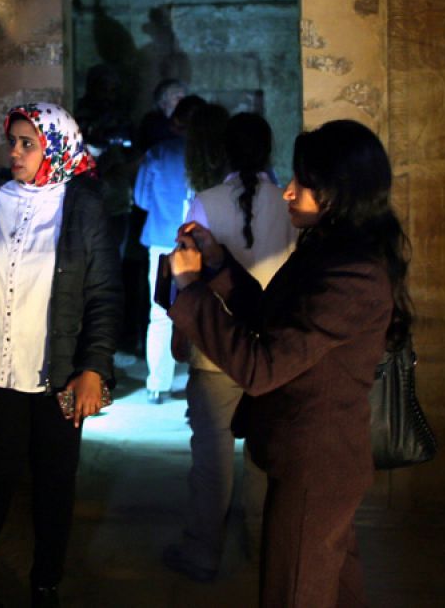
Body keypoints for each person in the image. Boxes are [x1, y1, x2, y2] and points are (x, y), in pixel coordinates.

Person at [168, 120, 409, 607]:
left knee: (294, 592)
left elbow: (261, 367)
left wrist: (192, 292)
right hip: (311, 459)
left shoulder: (353, 274)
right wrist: (216, 266)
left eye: (303, 183)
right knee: (334, 589)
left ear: (339, 192)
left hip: (316, 464)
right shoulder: (329, 250)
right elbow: (269, 314)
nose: (288, 192)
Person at [0, 103, 120, 608]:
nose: (14, 151)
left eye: (26, 143)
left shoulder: (83, 208)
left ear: (54, 146)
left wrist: (94, 368)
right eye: (11, 141)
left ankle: (45, 583)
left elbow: (103, 295)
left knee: (55, 485)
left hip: (58, 375)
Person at [162, 112, 293, 583]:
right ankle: (261, 550)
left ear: (225, 154)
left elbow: (187, 273)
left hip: (215, 347)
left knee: (211, 458)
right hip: (272, 349)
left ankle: (202, 552)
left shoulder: (205, 202)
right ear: (269, 150)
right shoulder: (286, 204)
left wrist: (181, 331)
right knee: (262, 456)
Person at [133, 94, 206, 403]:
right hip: (203, 242)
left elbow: (141, 199)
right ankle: (202, 378)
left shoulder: (157, 154)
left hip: (163, 240)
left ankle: (157, 383)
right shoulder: (210, 157)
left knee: (160, 312)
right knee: (205, 309)